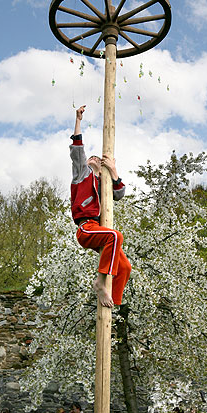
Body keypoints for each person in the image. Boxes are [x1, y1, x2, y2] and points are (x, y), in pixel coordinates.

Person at [70, 105, 131, 308]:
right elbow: (77, 150)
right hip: (86, 227)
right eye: (91, 158)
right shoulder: (82, 175)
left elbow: (119, 194)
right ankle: (100, 282)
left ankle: (115, 302)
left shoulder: (102, 184)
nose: (94, 158)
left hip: (97, 230)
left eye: (97, 158)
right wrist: (78, 120)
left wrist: (113, 171)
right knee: (115, 235)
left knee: (125, 266)